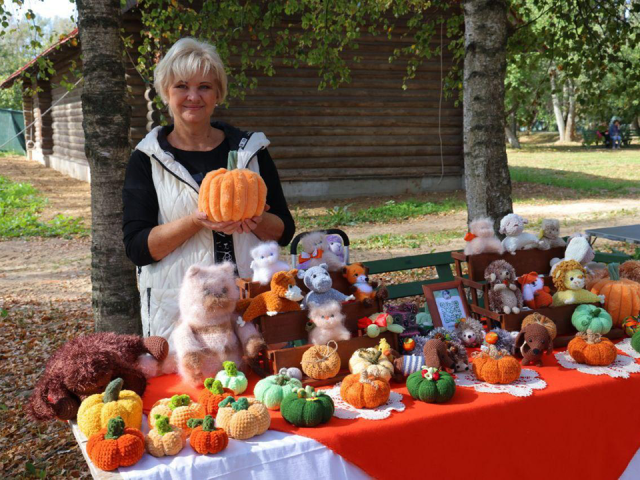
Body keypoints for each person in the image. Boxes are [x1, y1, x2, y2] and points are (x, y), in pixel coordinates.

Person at [122, 37, 295, 343]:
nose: (193, 96)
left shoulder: (250, 152)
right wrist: (195, 221)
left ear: (218, 93)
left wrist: (258, 219)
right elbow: (138, 248)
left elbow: (284, 230)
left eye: (204, 86)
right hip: (180, 316)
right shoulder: (147, 159)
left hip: (250, 307)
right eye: (181, 86)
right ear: (166, 92)